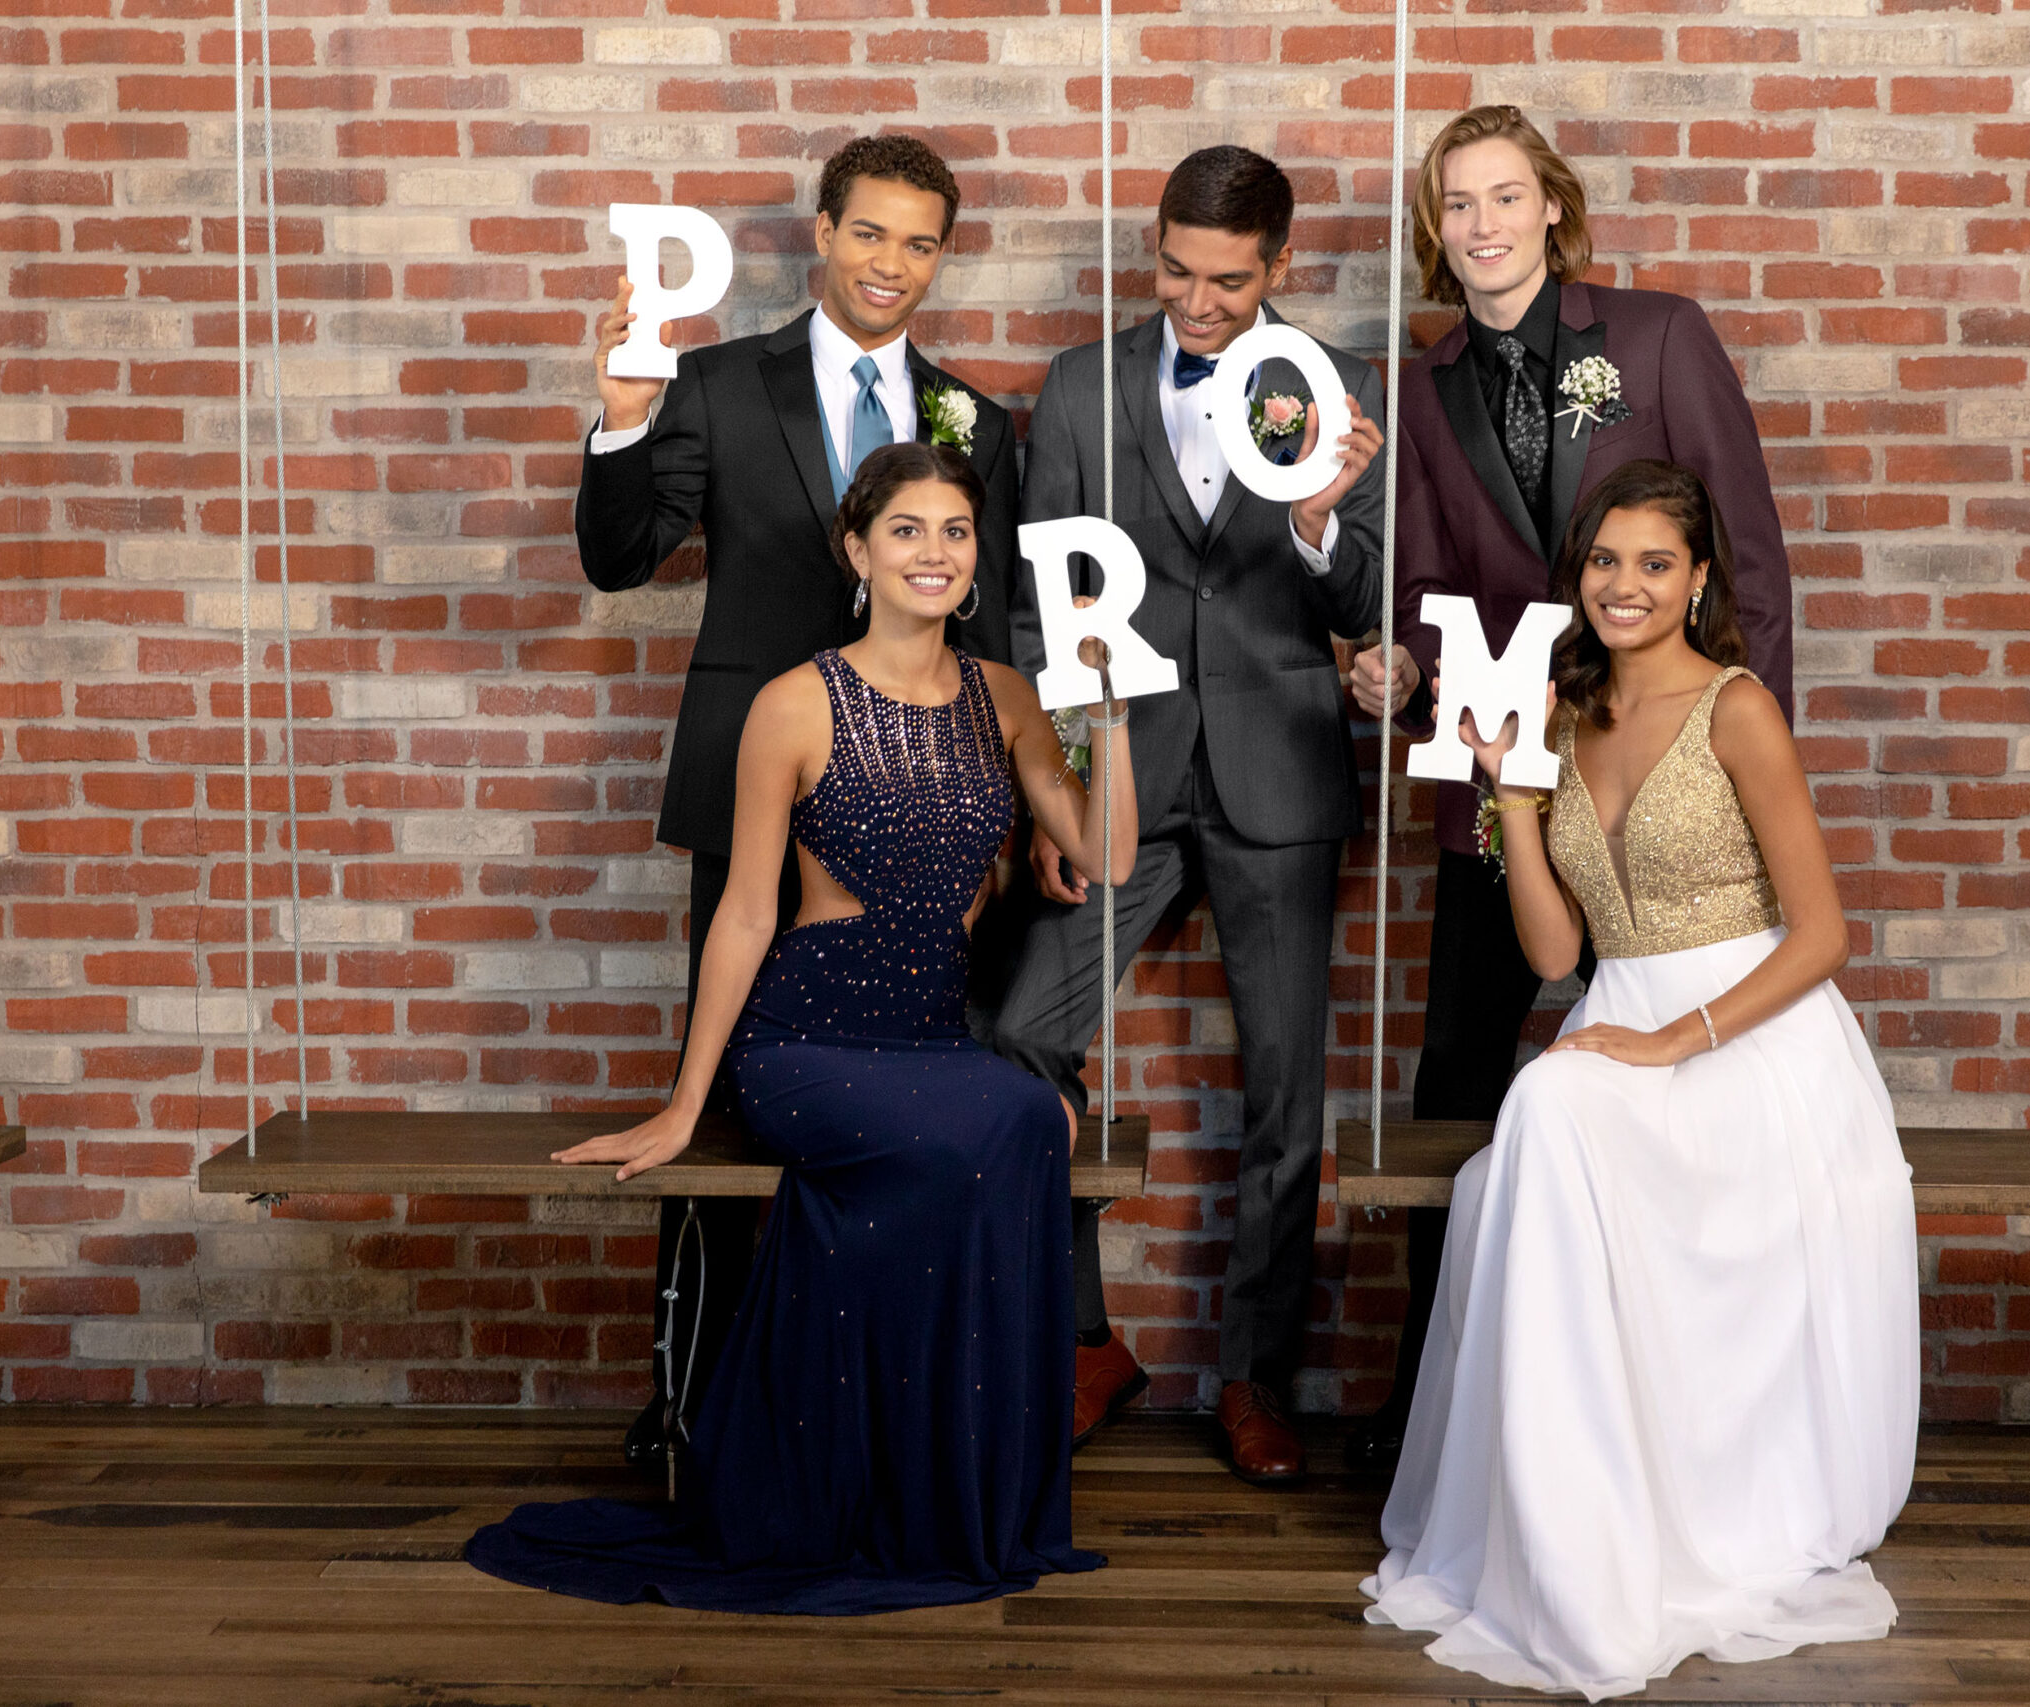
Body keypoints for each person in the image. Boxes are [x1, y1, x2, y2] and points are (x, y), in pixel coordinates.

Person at [467, 443, 1127, 1613]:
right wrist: (686, 1102)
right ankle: (860, 1480)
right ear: (857, 551)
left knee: (1024, 1116)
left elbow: (1107, 853)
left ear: (976, 559)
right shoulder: (794, 702)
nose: (934, 552)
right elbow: (742, 913)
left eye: (955, 532)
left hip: (926, 1041)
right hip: (806, 1044)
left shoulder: (1009, 699)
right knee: (1004, 1124)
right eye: (909, 530)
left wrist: (1109, 710)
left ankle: (939, 1489)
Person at [1361, 460, 1917, 1696]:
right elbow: (1560, 954)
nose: (1623, 586)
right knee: (1538, 1131)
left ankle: (1616, 1541)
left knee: (1545, 1106)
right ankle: (1566, 1540)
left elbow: (1823, 936)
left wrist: (1672, 1043)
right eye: (1603, 562)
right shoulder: (1563, 718)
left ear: (1699, 579)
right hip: (1613, 1018)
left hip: (1750, 1048)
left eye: (1653, 564)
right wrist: (1510, 799)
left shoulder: (1737, 710)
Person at [1343, 105, 1798, 1470]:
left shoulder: (1658, 337)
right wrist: (1395, 672)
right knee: (1458, 1088)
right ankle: (1437, 1406)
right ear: (1438, 230)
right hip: (1505, 780)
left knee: (1677, 1080)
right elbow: (1421, 587)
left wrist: (1737, 765)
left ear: (1552, 206)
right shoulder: (1422, 389)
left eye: (1501, 197)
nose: (1479, 225)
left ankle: (1686, 1412)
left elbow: (1753, 565)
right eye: (1455, 206)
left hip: (1668, 784)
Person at [573, 134, 1021, 1469]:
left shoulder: (974, 420)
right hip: (756, 783)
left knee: (902, 1102)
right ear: (822, 232)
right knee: (712, 1109)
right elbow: (618, 557)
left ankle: (877, 1405)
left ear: (943, 253)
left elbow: (993, 624)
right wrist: (621, 417)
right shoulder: (709, 382)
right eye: (870, 232)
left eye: (920, 241)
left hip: (926, 815)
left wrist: (1028, 806)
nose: (893, 263)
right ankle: (689, 1409)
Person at [987, 145, 1387, 1485]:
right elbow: (1044, 612)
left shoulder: (1335, 395)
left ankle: (1258, 1372)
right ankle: (1090, 1340)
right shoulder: (1082, 386)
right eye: (1176, 269)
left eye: (1229, 277)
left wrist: (1328, 521)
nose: (1198, 299)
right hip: (1125, 777)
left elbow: (1369, 608)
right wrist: (1056, 781)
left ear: (1280, 267)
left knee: (1284, 1096)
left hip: (1279, 775)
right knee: (1019, 1039)